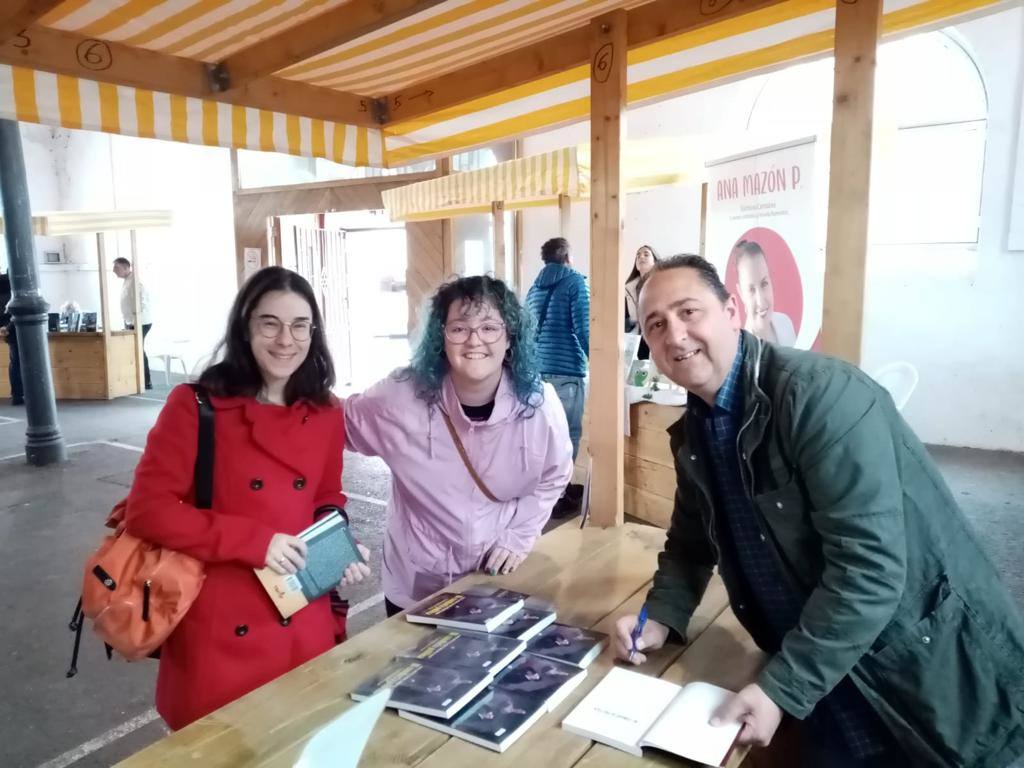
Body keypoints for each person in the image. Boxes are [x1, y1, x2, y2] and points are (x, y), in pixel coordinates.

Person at [614, 254, 1024, 768]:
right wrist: (661, 618)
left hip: (923, 665)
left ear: (733, 310)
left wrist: (782, 688)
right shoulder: (698, 425)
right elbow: (690, 543)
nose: (675, 334)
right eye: (656, 324)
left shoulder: (819, 396)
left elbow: (870, 572)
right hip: (820, 666)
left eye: (689, 311)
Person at [124, 266, 371, 730]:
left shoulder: (325, 410)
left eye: (300, 325)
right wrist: (256, 542)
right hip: (219, 623)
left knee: (303, 739)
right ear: (245, 326)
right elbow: (147, 511)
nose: (286, 339)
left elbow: (326, 495)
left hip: (301, 611)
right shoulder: (196, 406)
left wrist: (338, 544)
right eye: (269, 323)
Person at [344, 275, 573, 616]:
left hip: (495, 579)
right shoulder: (400, 396)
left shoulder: (538, 406)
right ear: (442, 337)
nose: (474, 340)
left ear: (510, 337)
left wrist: (518, 536)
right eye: (459, 328)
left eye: (490, 328)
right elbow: (333, 427)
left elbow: (556, 474)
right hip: (416, 585)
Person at [524, 237, 589, 516]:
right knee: (568, 435)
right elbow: (585, 327)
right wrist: (602, 362)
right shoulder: (576, 283)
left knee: (543, 435)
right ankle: (560, 495)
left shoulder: (534, 288)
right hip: (566, 371)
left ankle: (544, 491)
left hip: (537, 370)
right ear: (568, 257)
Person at [732, 239, 796, 346]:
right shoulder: (742, 352)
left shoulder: (785, 324)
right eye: (751, 290)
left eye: (764, 284)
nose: (761, 302)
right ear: (741, 293)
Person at [113, 256, 154, 389]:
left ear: (126, 268)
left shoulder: (136, 281)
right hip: (131, 321)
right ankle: (137, 380)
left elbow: (143, 301)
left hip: (140, 322)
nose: (114, 270)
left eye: (116, 268)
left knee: (137, 349)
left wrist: (135, 320)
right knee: (134, 350)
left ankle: (146, 382)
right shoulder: (127, 280)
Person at [624, 244, 659, 360]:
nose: (641, 257)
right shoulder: (627, 289)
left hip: (657, 337)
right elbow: (624, 316)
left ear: (655, 261)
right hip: (635, 338)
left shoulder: (663, 284)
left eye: (646, 254)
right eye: (638, 256)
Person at [0, 271, 24, 405]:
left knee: (15, 363)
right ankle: (22, 394)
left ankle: (17, 395)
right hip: (17, 327)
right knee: (21, 363)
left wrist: (4, 327)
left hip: (9, 330)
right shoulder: (14, 286)